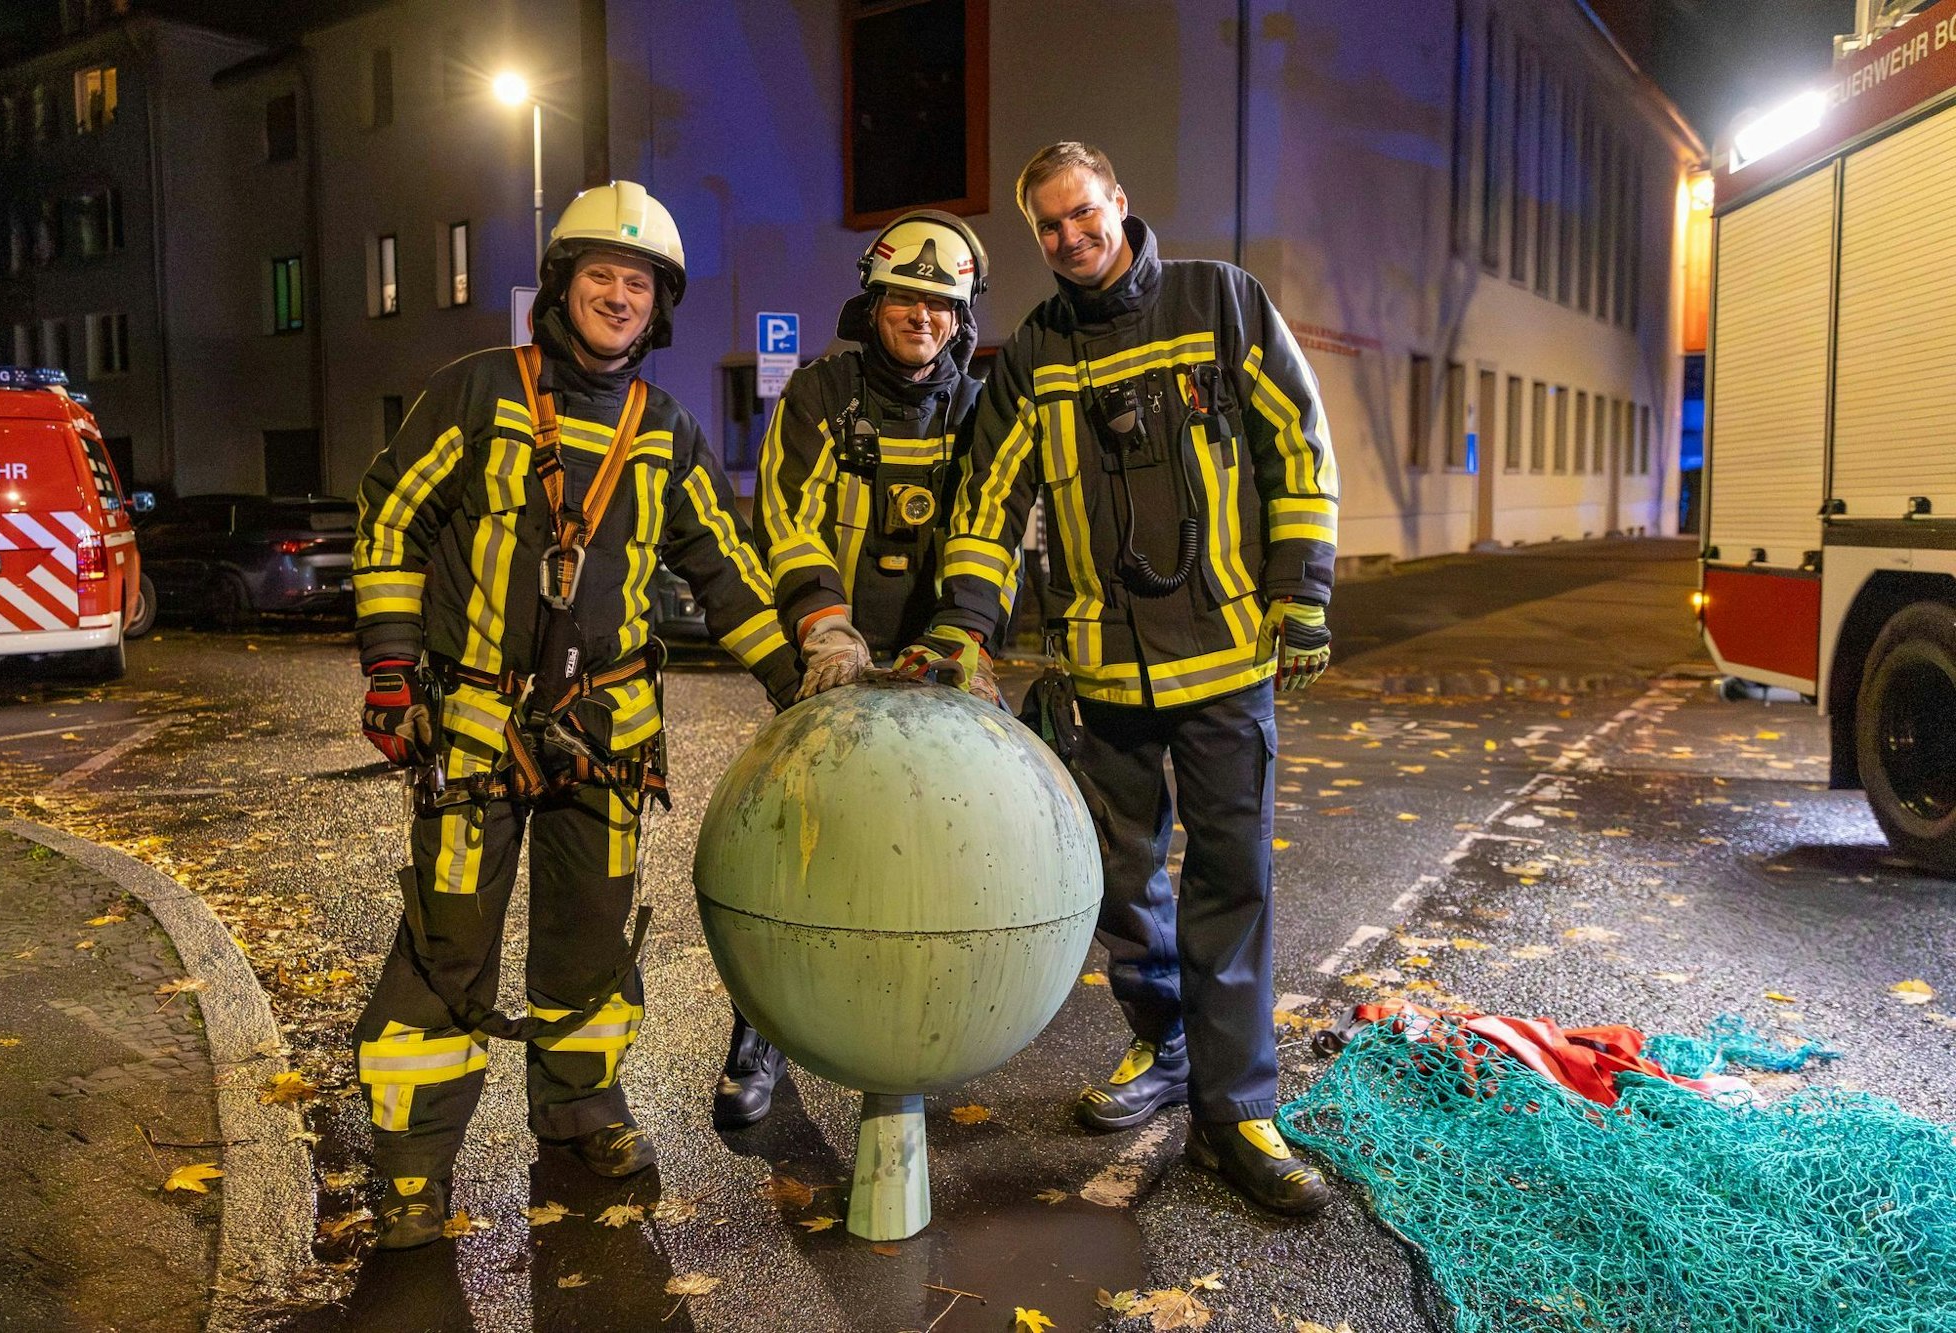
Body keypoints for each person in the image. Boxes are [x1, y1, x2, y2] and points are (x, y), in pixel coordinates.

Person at [351, 180, 800, 1248]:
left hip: (607, 742)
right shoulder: (474, 393)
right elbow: (391, 519)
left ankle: (581, 1109)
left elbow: (727, 574)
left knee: (590, 947)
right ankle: (412, 1167)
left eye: (635, 281)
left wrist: (802, 684)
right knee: (446, 945)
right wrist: (389, 668)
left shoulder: (668, 432)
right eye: (598, 273)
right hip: (471, 728)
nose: (616, 294)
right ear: (561, 286)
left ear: (659, 305)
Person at [901, 142, 1339, 1215]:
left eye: (1082, 213)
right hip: (1103, 675)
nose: (1068, 237)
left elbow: (1298, 442)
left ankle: (1237, 1115)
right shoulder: (1034, 354)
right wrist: (962, 626)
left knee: (1229, 888)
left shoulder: (1218, 301)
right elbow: (989, 507)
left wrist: (1306, 589)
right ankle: (1165, 1048)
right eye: (1047, 225)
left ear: (1119, 201)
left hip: (1228, 659)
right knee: (1121, 888)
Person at [714, 210, 1000, 1129]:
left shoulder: (980, 409)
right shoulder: (817, 394)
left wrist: (963, 635)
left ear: (962, 319)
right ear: (874, 303)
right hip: (832, 657)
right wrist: (826, 635)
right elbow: (787, 518)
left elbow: (992, 525)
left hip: (936, 661)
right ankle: (758, 1031)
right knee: (797, 844)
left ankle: (924, 1019)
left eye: (942, 305)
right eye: (908, 299)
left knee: (938, 850)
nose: (924, 317)